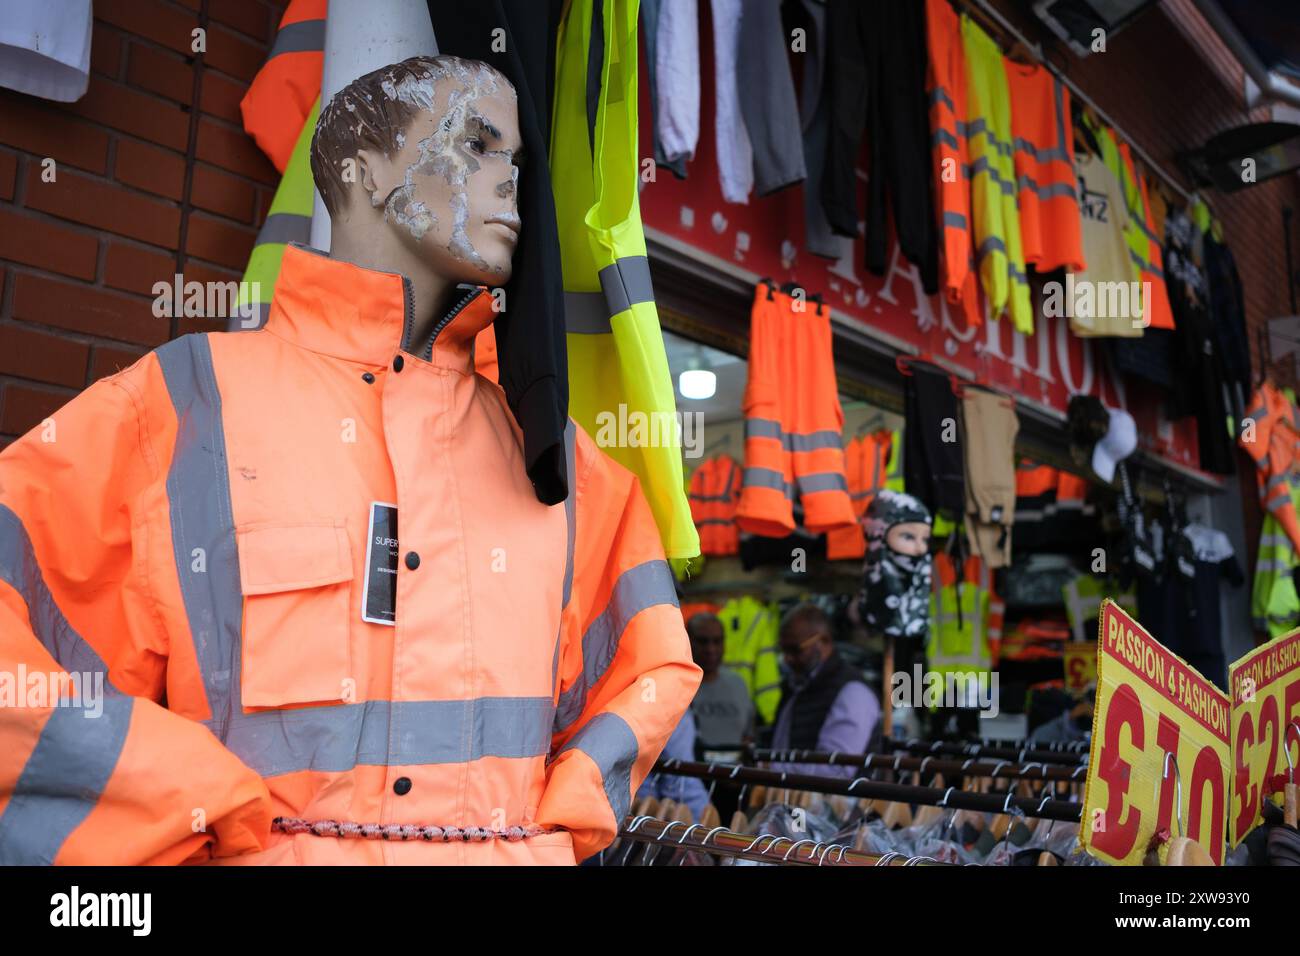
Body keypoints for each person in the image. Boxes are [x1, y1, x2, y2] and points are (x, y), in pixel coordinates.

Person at [0, 55, 700, 866]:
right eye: (476, 144)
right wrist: (194, 805)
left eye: (515, 158)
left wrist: (558, 823)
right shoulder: (184, 405)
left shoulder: (550, 451)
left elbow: (652, 663)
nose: (508, 181)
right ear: (365, 169)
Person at [771, 603, 879, 778]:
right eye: (783, 650)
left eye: (795, 650)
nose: (787, 658)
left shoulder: (852, 693)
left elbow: (837, 770)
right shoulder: (796, 685)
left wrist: (771, 768)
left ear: (824, 641)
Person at [686, 612, 754, 750]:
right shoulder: (675, 688)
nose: (711, 649)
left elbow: (748, 735)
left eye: (717, 641)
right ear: (687, 641)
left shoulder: (738, 685)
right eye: (702, 641)